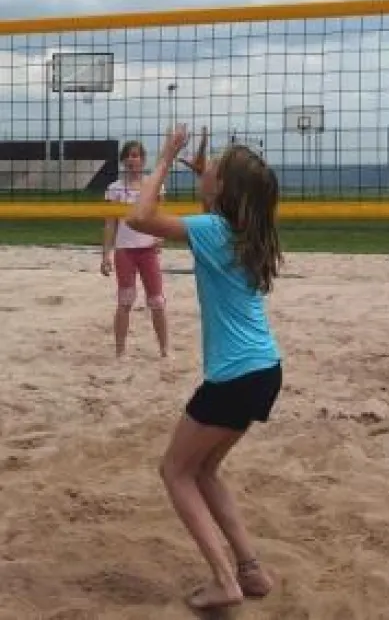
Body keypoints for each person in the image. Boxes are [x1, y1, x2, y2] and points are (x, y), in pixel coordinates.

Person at [125, 124, 283, 611]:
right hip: (265, 370)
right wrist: (205, 177)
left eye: (213, 168)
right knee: (206, 470)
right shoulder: (244, 232)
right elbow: (212, 209)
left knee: (175, 471)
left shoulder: (212, 231)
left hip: (235, 376)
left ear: (224, 189)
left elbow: (140, 216)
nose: (205, 168)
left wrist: (164, 158)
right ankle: (251, 570)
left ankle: (225, 580)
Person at [101, 140, 168, 358]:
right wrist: (106, 255)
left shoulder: (153, 186)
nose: (132, 159)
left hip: (148, 249)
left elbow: (159, 215)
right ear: (123, 160)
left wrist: (160, 236)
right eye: (128, 155)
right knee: (125, 300)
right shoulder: (114, 189)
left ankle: (164, 350)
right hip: (125, 251)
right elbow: (110, 224)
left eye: (136, 155)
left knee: (157, 301)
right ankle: (120, 351)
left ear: (143, 160)